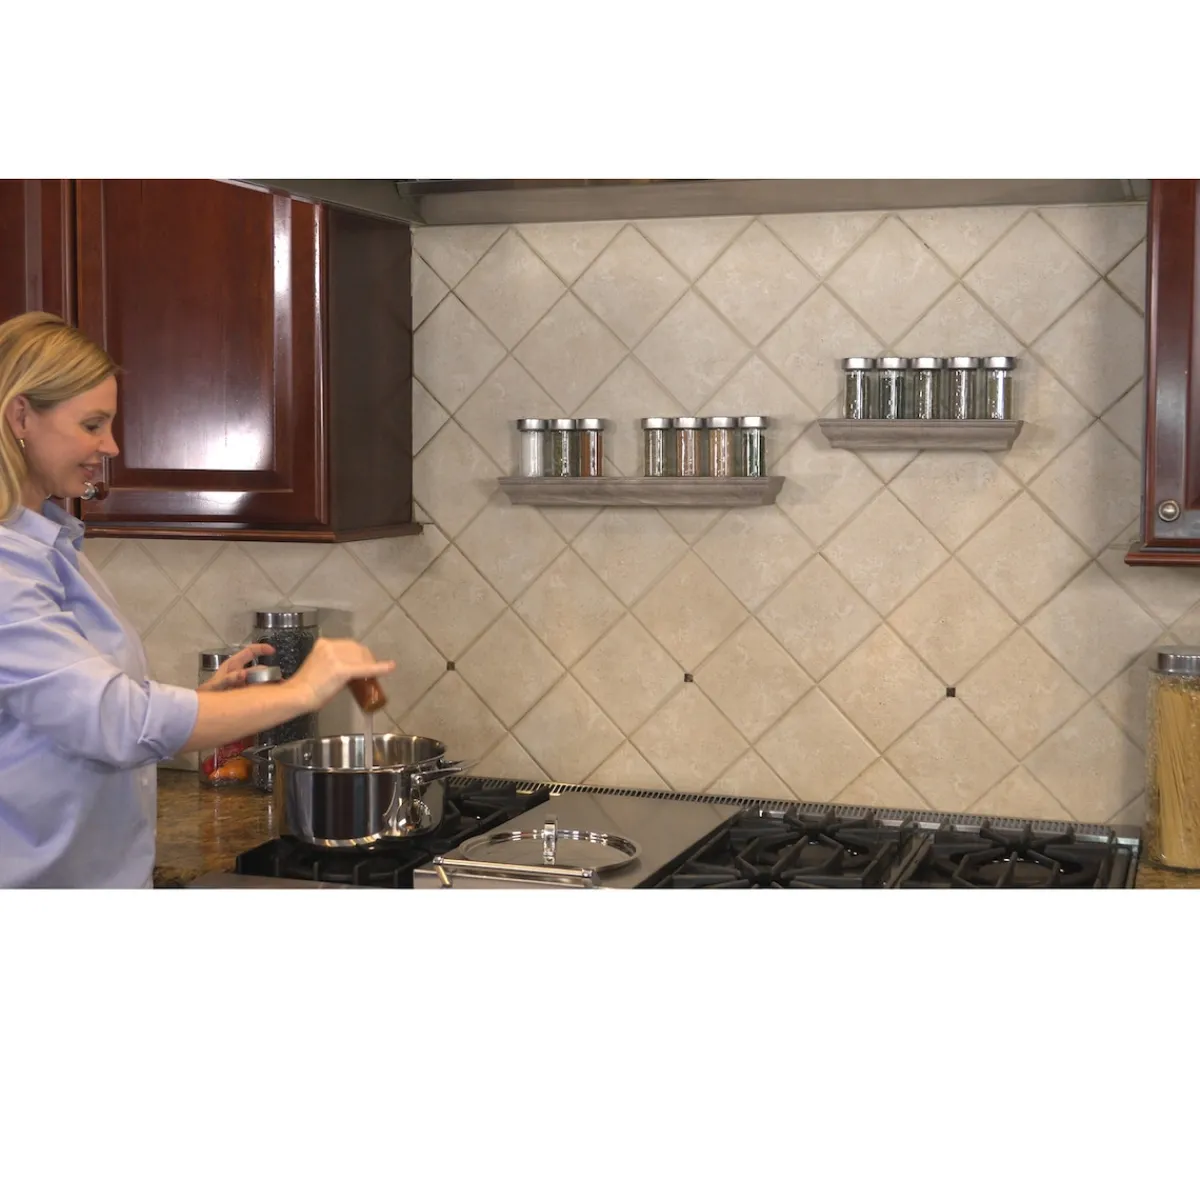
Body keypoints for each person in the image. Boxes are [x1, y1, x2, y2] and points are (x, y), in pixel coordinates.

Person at [0, 312, 396, 888]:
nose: (110, 445)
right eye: (92, 424)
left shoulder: (55, 546)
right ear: (20, 417)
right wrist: (301, 691)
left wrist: (204, 704)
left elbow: (73, 716)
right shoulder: (7, 569)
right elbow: (116, 721)